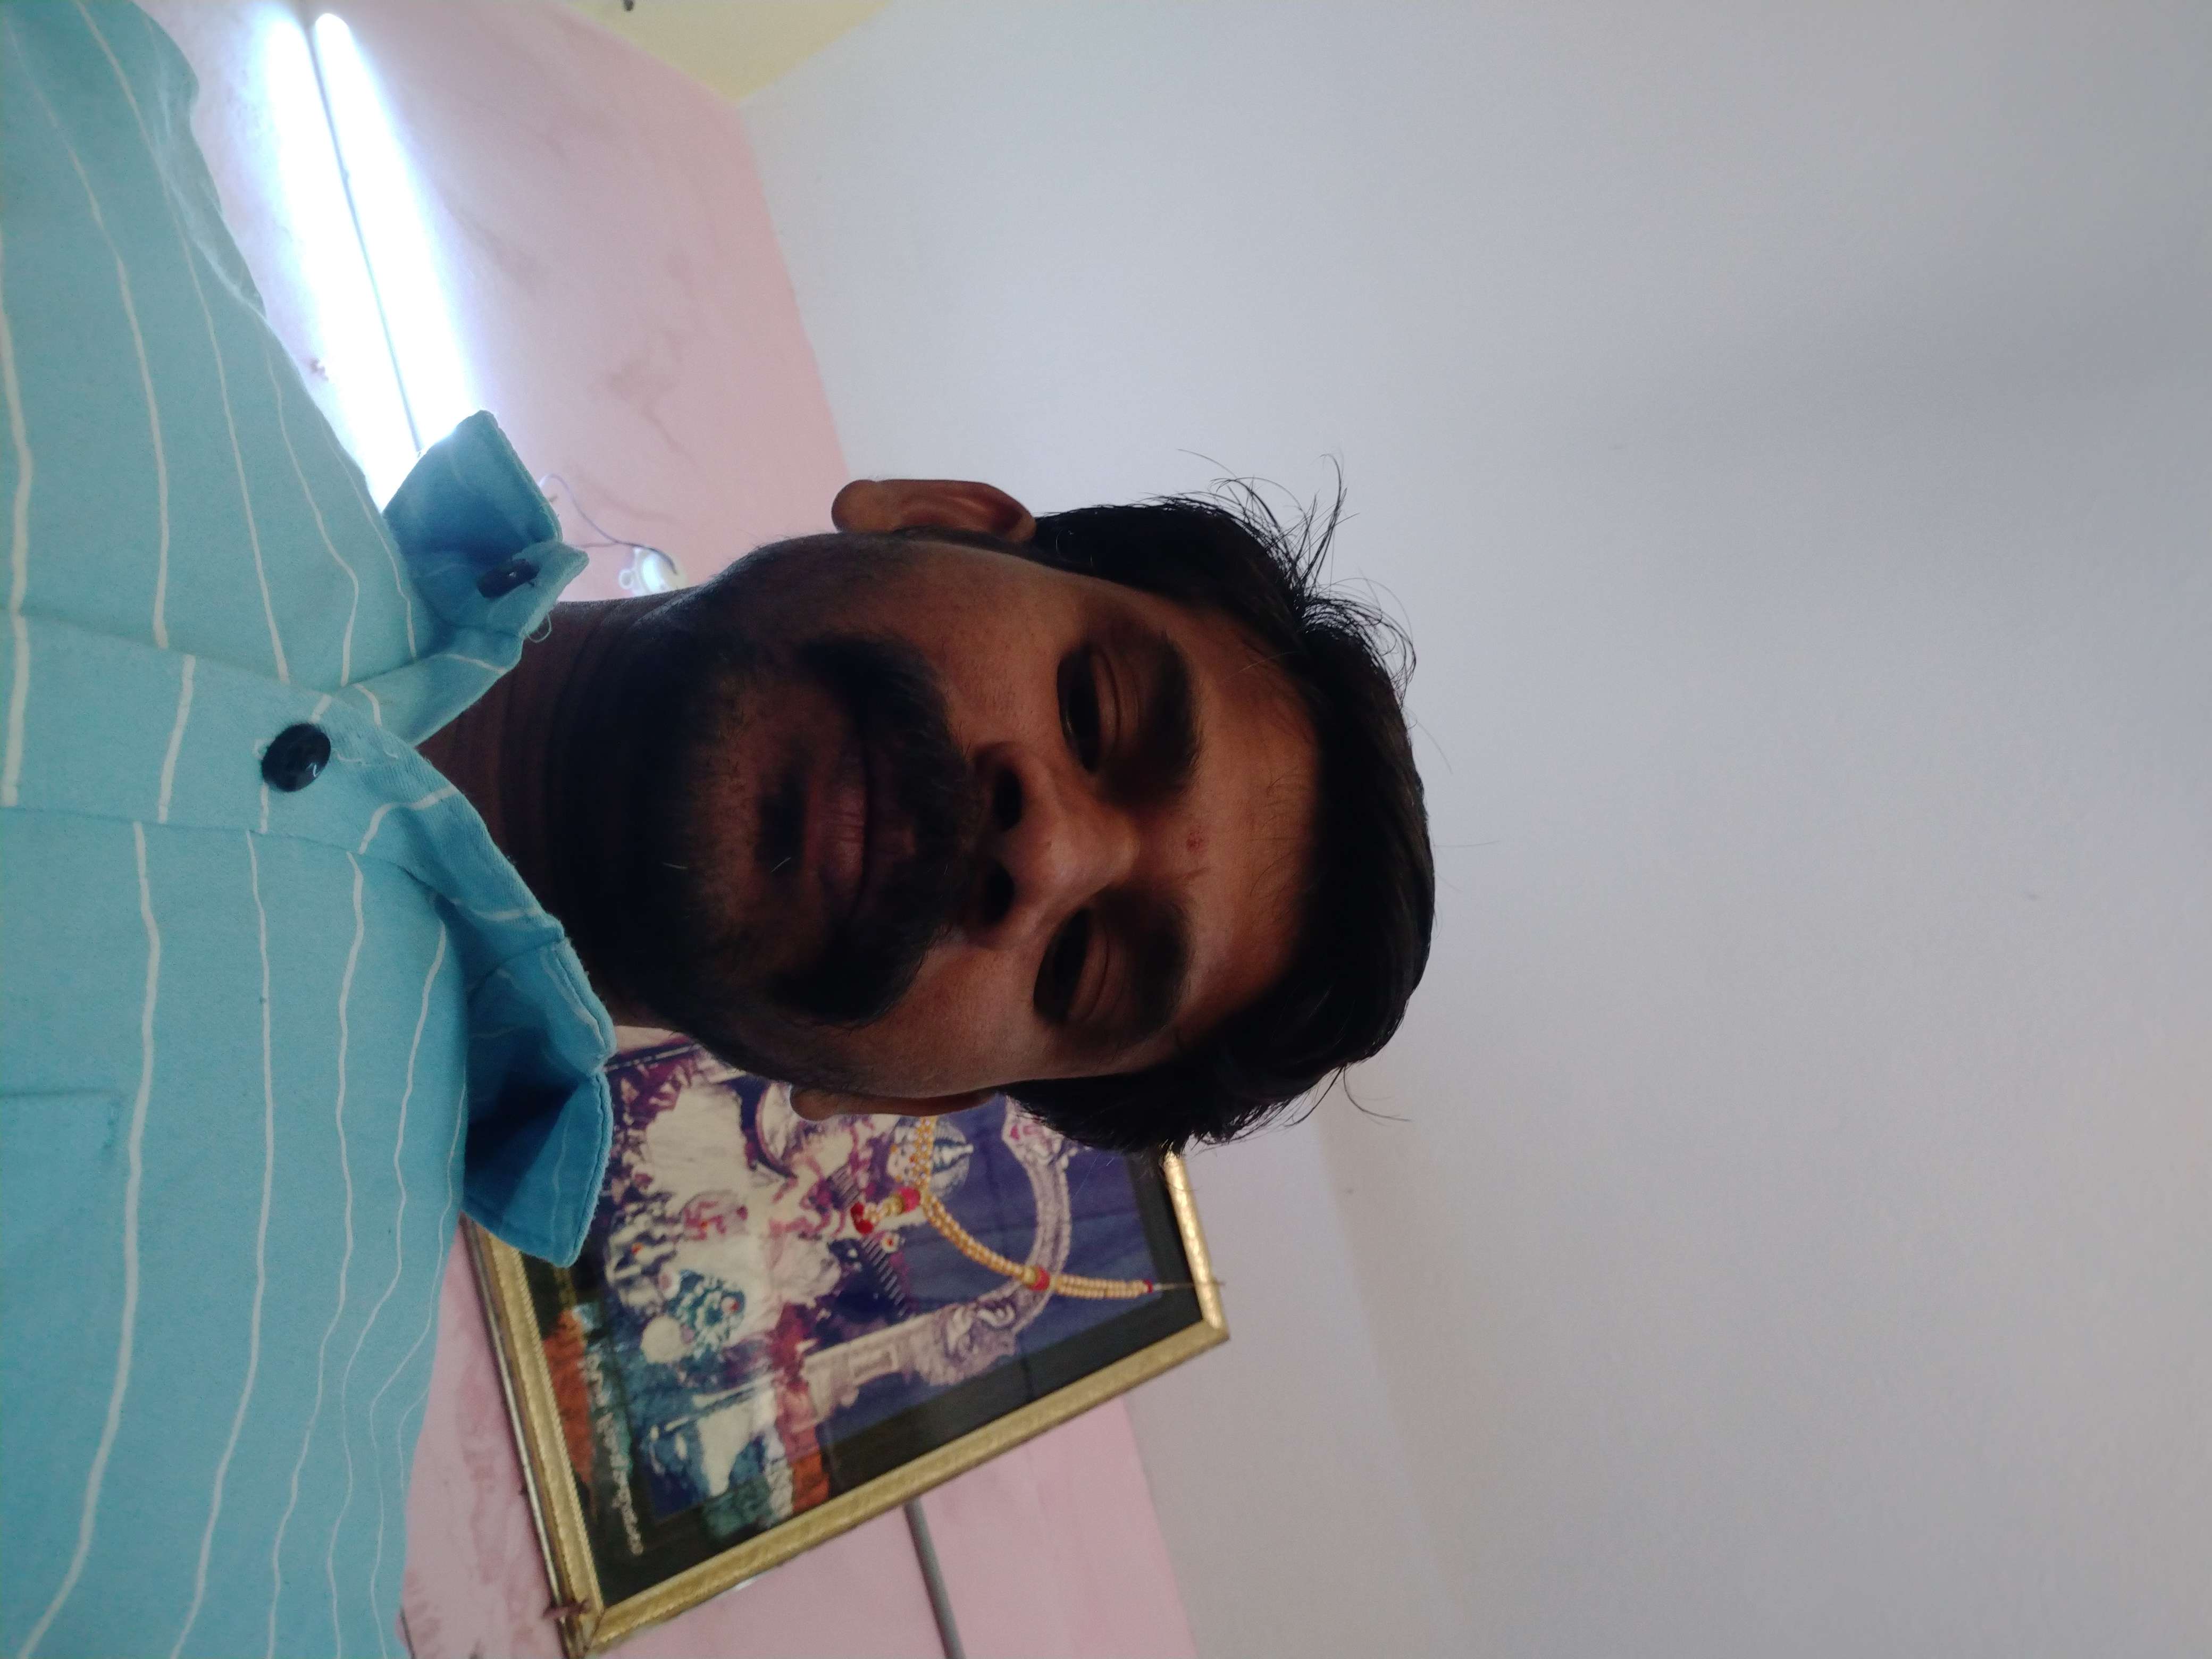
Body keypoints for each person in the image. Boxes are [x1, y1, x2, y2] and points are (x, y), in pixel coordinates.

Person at [0, 4, 1430, 1656]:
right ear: (938, 519)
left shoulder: (238, 1569)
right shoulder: (70, 115)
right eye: (1099, 712)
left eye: (1087, 971)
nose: (1042, 855)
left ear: (910, 1100)